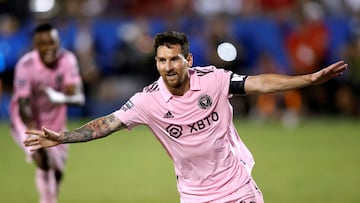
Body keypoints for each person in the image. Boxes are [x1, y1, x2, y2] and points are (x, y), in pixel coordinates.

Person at [24, 31, 347, 203]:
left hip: (238, 189)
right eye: (162, 60)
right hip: (194, 196)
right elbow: (107, 123)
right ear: (156, 63)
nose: (169, 66)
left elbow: (259, 82)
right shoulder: (147, 100)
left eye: (175, 59)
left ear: (188, 60)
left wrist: (307, 80)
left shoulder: (215, 80)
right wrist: (63, 136)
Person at [10, 23, 85, 203]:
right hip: (26, 123)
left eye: (52, 42)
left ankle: (50, 198)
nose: (49, 48)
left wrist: (57, 97)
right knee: (42, 158)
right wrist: (33, 130)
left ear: (58, 42)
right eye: (43, 43)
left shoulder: (67, 60)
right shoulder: (26, 65)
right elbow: (23, 104)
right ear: (36, 46)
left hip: (55, 123)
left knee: (57, 172)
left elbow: (77, 98)